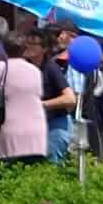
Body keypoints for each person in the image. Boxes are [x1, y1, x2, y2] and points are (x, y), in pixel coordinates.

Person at [0, 29, 49, 171]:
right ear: (24, 48)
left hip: (8, 137)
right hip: (36, 137)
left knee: (1, 181)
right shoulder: (35, 71)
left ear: (4, 47)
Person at [21, 27, 76, 162]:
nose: (28, 46)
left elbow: (70, 99)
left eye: (33, 43)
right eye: (27, 42)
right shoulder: (24, 66)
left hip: (55, 125)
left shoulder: (51, 68)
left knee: (52, 165)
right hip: (33, 126)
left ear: (44, 49)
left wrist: (42, 105)